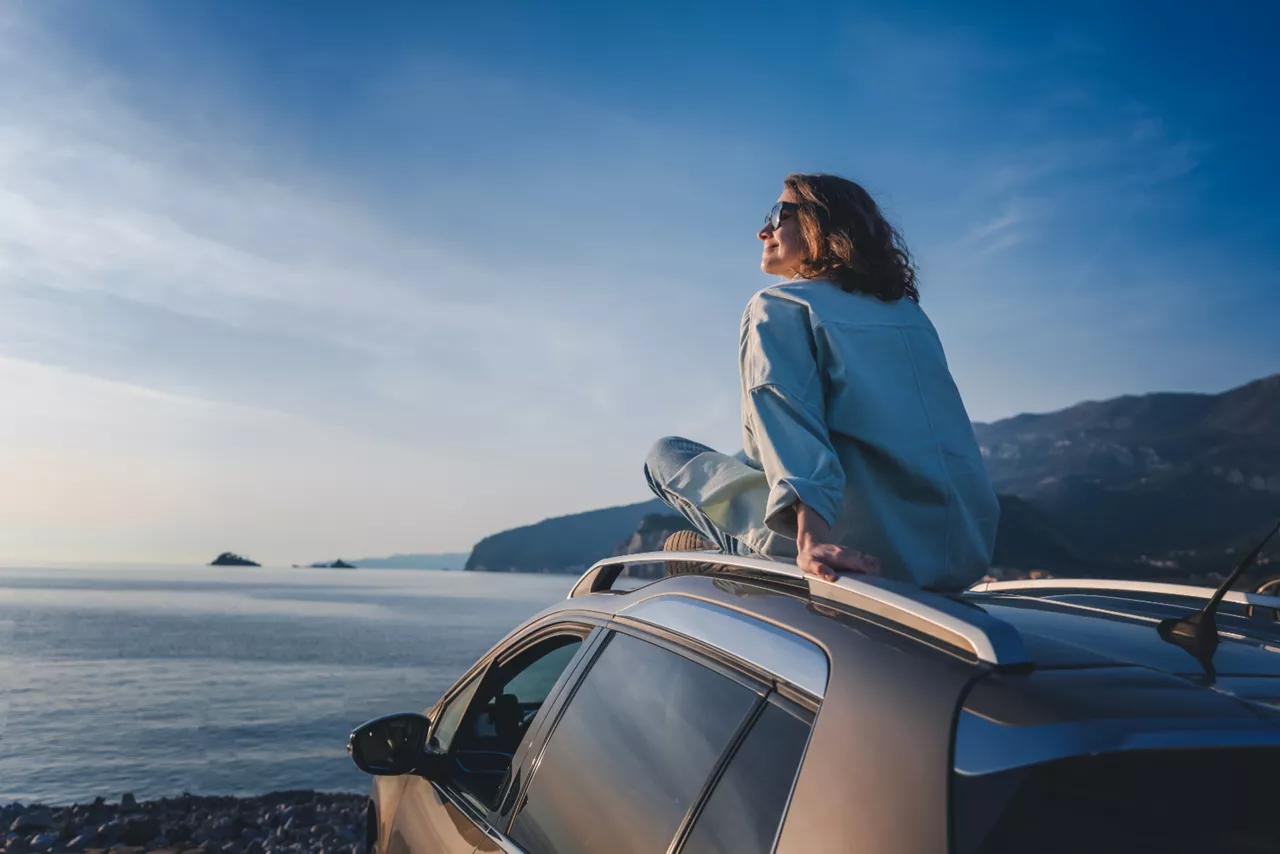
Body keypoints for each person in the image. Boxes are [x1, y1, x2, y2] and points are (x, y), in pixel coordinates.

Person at [644, 173, 999, 591]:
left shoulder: (779, 305)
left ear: (820, 224)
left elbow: (790, 417)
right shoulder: (911, 318)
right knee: (749, 451)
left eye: (778, 215)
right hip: (954, 556)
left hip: (852, 552)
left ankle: (748, 564)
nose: (763, 230)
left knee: (665, 454)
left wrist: (812, 540)